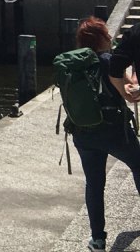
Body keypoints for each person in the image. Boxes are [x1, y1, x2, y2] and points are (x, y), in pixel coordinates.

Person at [71, 18, 140, 251]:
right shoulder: (109, 60)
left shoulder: (75, 64)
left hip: (82, 132)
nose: (110, 38)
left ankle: (98, 240)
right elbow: (129, 88)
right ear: (102, 38)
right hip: (113, 131)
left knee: (95, 184)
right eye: (107, 34)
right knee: (139, 165)